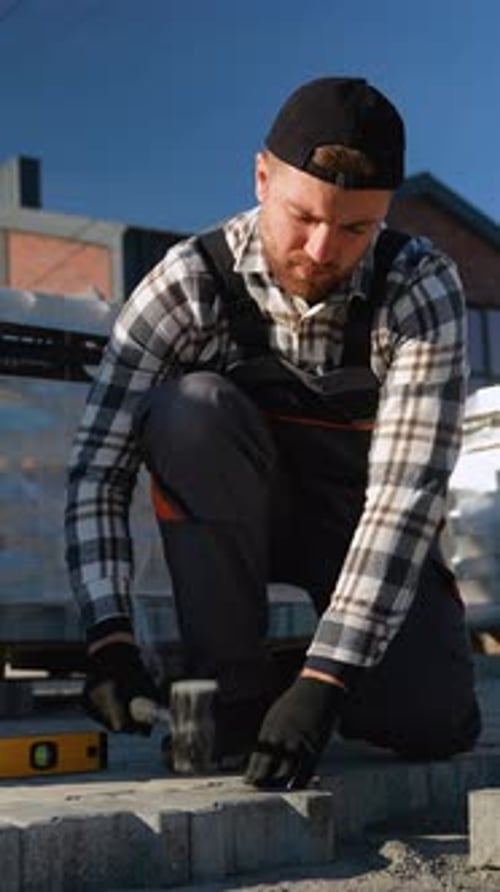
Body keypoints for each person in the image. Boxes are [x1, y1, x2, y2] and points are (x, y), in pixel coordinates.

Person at [65, 76, 481, 790]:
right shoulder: (187, 286)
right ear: (262, 177)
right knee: (190, 409)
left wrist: (325, 676)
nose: (323, 250)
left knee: (432, 724)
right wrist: (109, 637)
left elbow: (403, 500)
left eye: (357, 228)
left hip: (361, 528)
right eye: (303, 217)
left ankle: (291, 668)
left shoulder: (419, 289)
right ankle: (232, 685)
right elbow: (99, 469)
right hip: (234, 521)